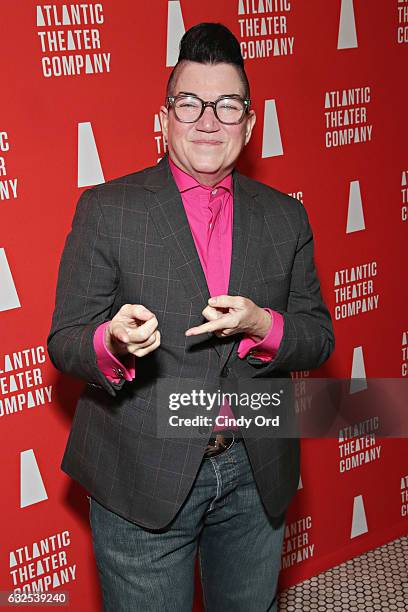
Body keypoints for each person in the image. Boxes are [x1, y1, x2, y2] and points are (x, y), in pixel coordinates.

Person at [47, 22, 334, 612]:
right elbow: (65, 342)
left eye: (227, 106)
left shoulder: (287, 217)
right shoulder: (108, 209)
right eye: (190, 103)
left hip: (257, 473)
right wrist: (112, 341)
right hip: (140, 477)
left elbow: (318, 336)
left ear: (250, 126)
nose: (209, 120)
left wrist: (263, 326)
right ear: (165, 117)